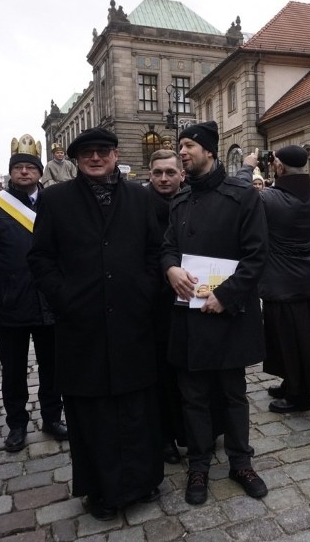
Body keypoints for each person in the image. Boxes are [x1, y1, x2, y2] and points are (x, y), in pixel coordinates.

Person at [28, 127, 163, 520]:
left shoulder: (140, 196)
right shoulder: (55, 199)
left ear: (115, 154)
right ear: (75, 159)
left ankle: (143, 480)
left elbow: (155, 251)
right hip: (81, 324)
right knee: (92, 412)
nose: (96, 157)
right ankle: (101, 491)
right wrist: (64, 296)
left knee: (136, 405)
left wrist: (144, 290)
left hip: (131, 320)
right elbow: (40, 259)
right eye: (87, 152)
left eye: (103, 150)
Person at [161, 120, 270, 505]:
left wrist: (225, 296)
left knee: (233, 394)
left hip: (228, 314)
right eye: (181, 147)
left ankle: (241, 462)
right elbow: (168, 247)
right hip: (189, 316)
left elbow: (257, 256)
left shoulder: (242, 196)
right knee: (193, 397)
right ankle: (199, 466)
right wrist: (171, 268)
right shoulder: (180, 200)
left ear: (208, 150)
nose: (183, 153)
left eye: (189, 145)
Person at [0, 134, 67, 454]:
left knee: (53, 367)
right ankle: (17, 424)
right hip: (10, 301)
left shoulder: (55, 203)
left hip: (49, 302)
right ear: (11, 172)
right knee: (13, 370)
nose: (24, 172)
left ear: (40, 172)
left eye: (30, 167)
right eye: (19, 167)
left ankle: (53, 417)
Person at [240, 145, 310, 413]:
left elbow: (241, 195)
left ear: (279, 167)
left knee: (287, 340)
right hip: (305, 277)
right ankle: (295, 382)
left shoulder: (269, 199)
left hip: (280, 280)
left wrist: (247, 167)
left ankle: (299, 395)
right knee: (305, 335)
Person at [147, 149, 187, 464]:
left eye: (169, 172)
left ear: (181, 174)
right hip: (153, 303)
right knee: (159, 373)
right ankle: (164, 437)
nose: (163, 178)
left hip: (191, 299)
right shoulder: (137, 204)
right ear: (150, 174)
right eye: (158, 172)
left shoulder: (193, 200)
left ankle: (195, 430)